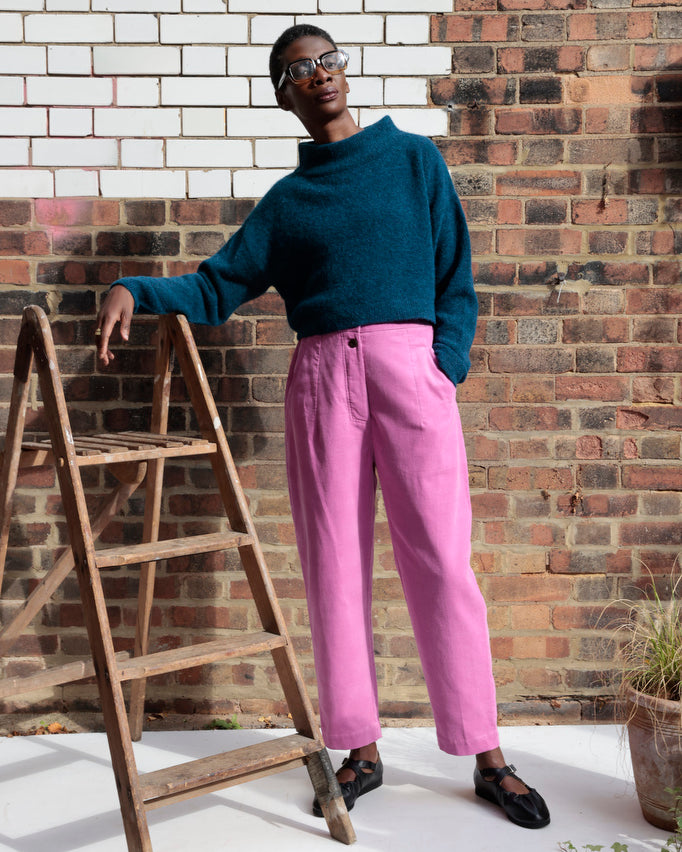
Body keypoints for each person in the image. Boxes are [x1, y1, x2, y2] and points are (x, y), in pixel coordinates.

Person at [95, 24, 550, 830]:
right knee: (333, 563)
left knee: (443, 559)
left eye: (328, 60)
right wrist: (135, 287)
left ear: (346, 68)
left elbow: (457, 276)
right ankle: (358, 746)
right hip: (321, 383)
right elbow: (216, 288)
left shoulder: (414, 160)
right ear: (283, 94)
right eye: (299, 70)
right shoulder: (287, 204)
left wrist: (444, 362)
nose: (320, 76)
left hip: (412, 372)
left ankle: (487, 755)